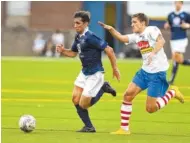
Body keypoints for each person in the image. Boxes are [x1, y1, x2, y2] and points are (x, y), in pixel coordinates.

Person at [99, 13, 184, 135]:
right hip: (144, 72)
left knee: (150, 108)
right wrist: (111, 29)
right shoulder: (136, 36)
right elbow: (122, 38)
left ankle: (172, 92)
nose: (132, 24)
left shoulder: (152, 30)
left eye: (134, 22)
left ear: (143, 23)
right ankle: (124, 129)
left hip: (157, 73)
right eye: (132, 22)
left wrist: (153, 53)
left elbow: (161, 41)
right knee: (128, 95)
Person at [56, 11, 120, 133]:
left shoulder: (91, 37)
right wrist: (63, 51)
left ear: (86, 23)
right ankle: (89, 127)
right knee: (75, 99)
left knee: (83, 104)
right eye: (74, 23)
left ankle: (103, 88)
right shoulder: (78, 37)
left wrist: (115, 68)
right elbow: (73, 53)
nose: (75, 25)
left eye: (78, 23)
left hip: (95, 74)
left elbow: (110, 50)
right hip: (84, 72)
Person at [164, 1, 190, 84]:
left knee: (175, 56)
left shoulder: (186, 15)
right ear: (174, 4)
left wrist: (187, 26)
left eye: (179, 3)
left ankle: (171, 80)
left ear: (182, 4)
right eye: (176, 3)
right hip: (173, 39)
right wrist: (167, 26)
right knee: (178, 60)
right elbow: (168, 25)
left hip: (182, 39)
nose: (177, 4)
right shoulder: (170, 15)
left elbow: (189, 24)